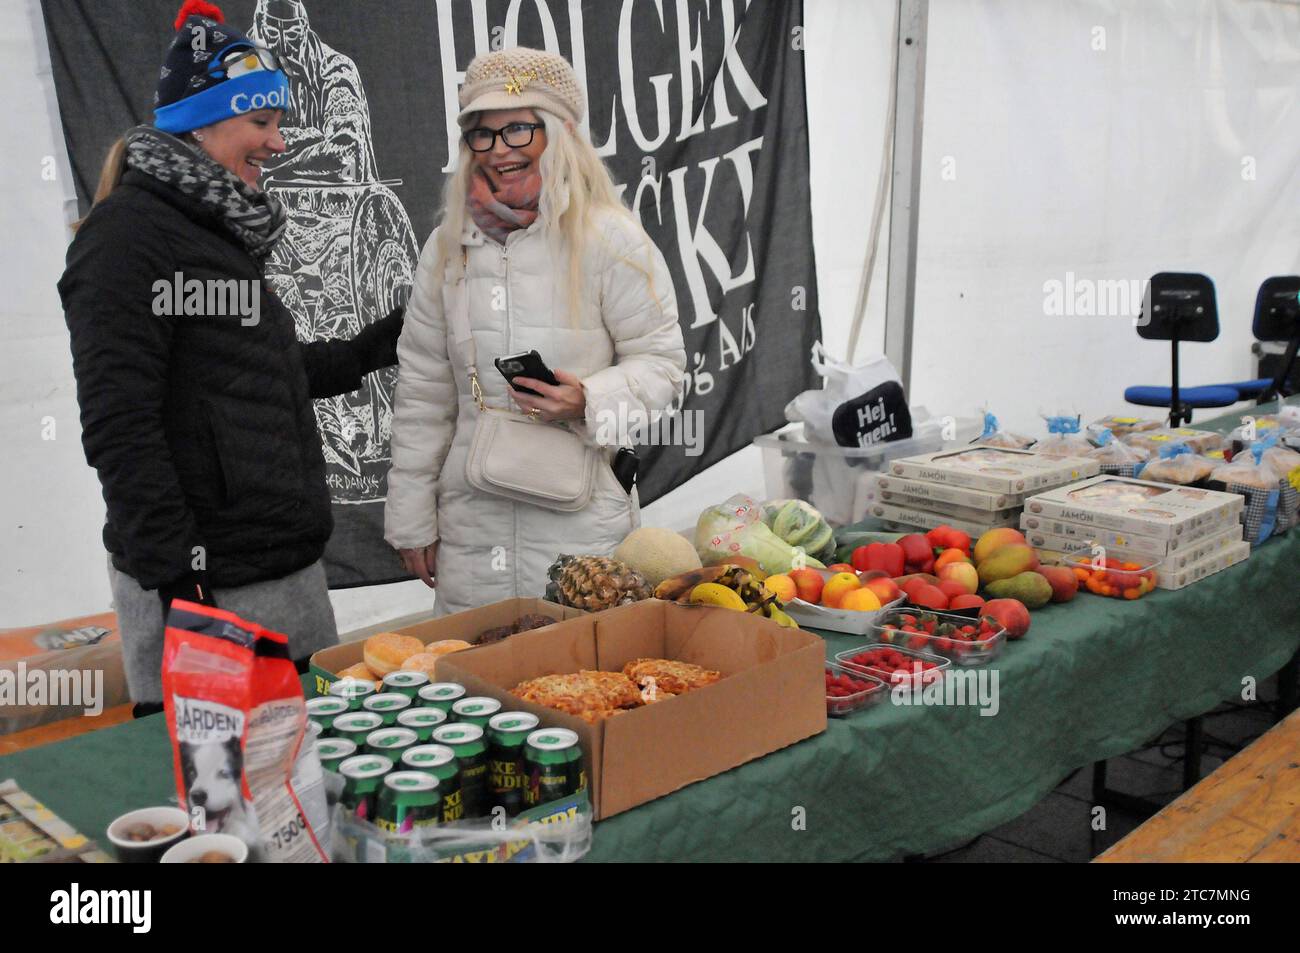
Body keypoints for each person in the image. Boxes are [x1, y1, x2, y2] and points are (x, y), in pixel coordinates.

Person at [57, 1, 404, 709]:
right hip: (210, 593)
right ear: (202, 122)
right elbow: (121, 429)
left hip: (281, 573)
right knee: (219, 808)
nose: (277, 143)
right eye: (263, 123)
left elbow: (258, 375)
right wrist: (180, 585)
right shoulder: (126, 240)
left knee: (301, 799)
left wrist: (376, 346)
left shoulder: (215, 231)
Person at [384, 47, 687, 615]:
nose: (501, 150)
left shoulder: (611, 239)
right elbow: (423, 391)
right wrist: (411, 519)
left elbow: (665, 367)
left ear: (560, 133)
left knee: (584, 686)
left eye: (519, 129)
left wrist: (591, 400)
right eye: (484, 133)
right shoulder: (447, 248)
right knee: (477, 679)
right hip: (472, 527)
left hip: (583, 524)